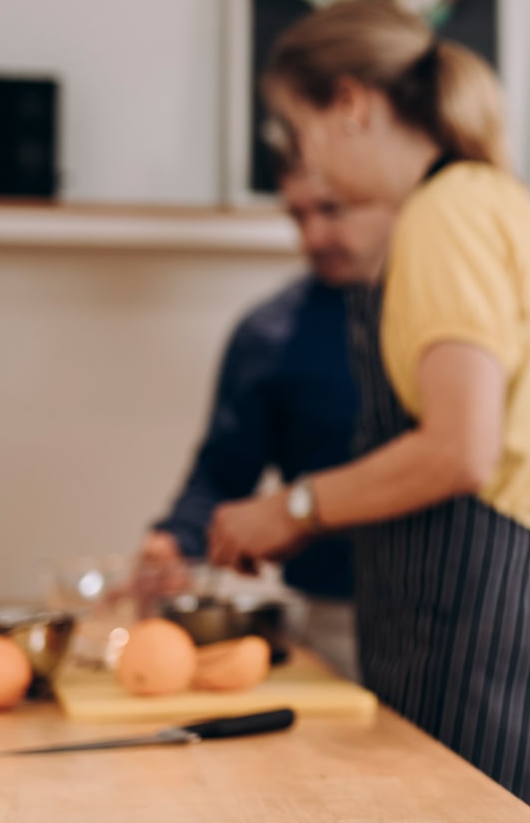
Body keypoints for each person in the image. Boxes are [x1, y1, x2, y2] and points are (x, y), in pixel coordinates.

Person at [207, 0, 530, 810]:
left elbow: (459, 449)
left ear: (350, 104)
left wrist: (294, 506)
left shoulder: (445, 214)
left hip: (492, 641)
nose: (311, 164)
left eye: (301, 131)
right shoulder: (496, 200)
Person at [136, 164, 384, 679]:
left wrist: (299, 508)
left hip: (460, 619)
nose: (313, 237)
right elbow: (223, 470)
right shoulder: (269, 334)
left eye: (332, 211)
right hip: (334, 621)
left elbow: (452, 456)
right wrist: (175, 541)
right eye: (298, 216)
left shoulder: (447, 320)